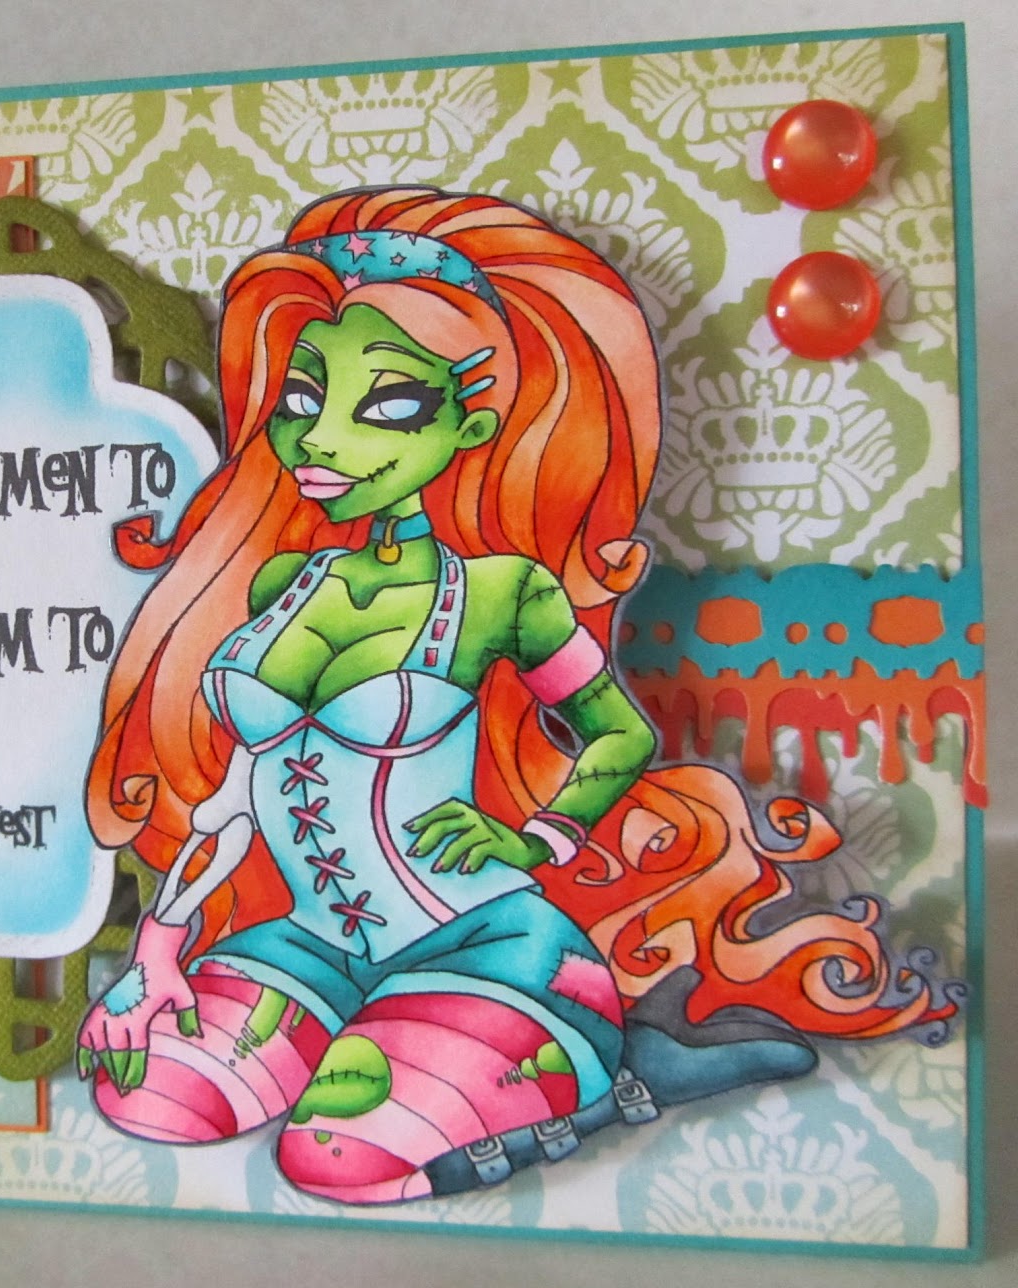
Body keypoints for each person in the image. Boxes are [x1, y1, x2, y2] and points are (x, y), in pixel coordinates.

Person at [77, 188, 950, 1206]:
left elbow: (615, 732)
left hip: (482, 940)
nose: (318, 440)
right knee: (147, 1092)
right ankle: (382, 1040)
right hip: (307, 941)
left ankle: (617, 1074)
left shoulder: (498, 594)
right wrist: (158, 952)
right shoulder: (283, 584)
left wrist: (537, 838)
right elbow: (231, 805)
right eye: (305, 397)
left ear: (472, 422)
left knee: (338, 1161)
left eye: (386, 405)